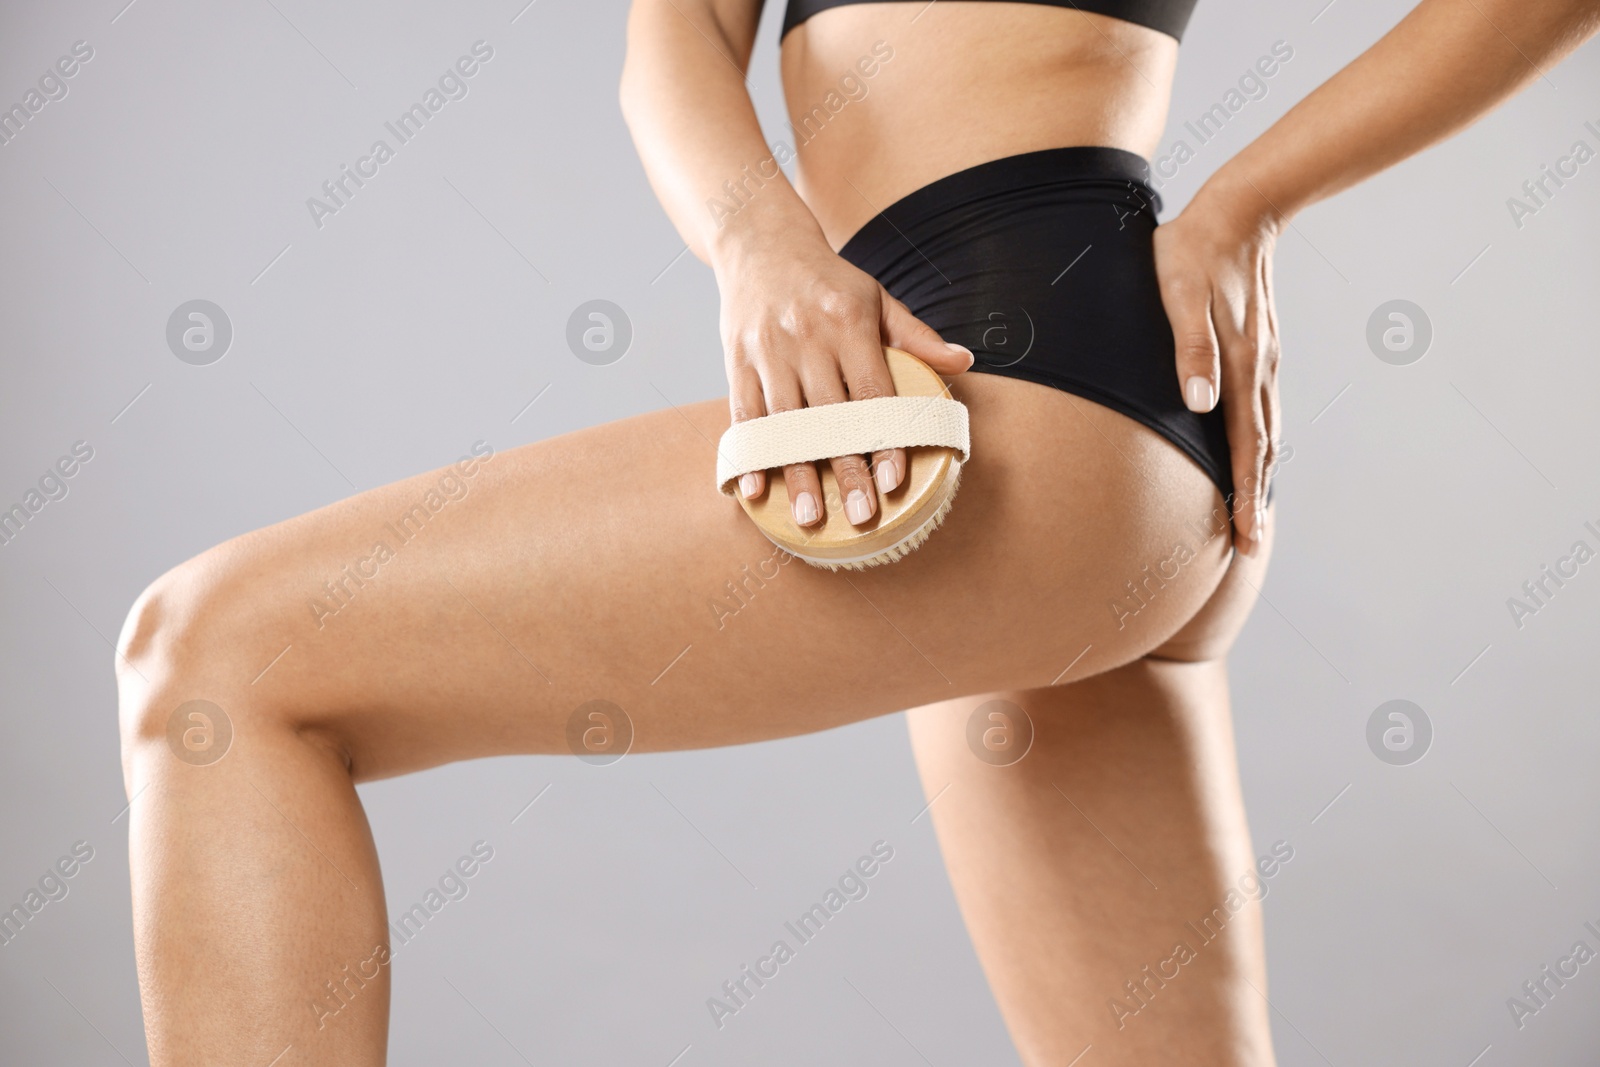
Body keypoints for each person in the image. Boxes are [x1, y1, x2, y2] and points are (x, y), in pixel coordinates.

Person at [116, 0, 1600, 1062]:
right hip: (1034, 423)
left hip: (1015, 407)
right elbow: (677, 37)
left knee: (216, 659)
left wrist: (1251, 204)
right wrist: (760, 239)